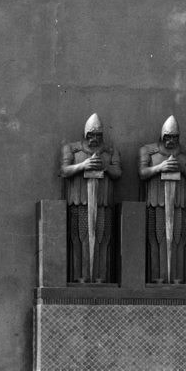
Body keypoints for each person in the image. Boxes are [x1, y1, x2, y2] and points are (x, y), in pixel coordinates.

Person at [59, 114, 120, 283]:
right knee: (78, 237)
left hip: (102, 202)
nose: (94, 139)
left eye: (98, 135)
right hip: (78, 201)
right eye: (91, 135)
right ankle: (79, 275)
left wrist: (105, 166)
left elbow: (117, 173)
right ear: (85, 134)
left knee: (102, 236)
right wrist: (83, 165)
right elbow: (64, 171)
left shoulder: (111, 151)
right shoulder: (71, 149)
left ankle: (101, 276)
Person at [139, 116, 186, 284]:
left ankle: (178, 277)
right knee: (156, 238)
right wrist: (160, 167)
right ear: (162, 136)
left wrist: (181, 167)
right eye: (168, 137)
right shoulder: (148, 150)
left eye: (174, 137)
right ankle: (157, 277)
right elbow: (142, 173)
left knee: (179, 237)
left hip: (180, 202)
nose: (171, 141)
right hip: (156, 202)